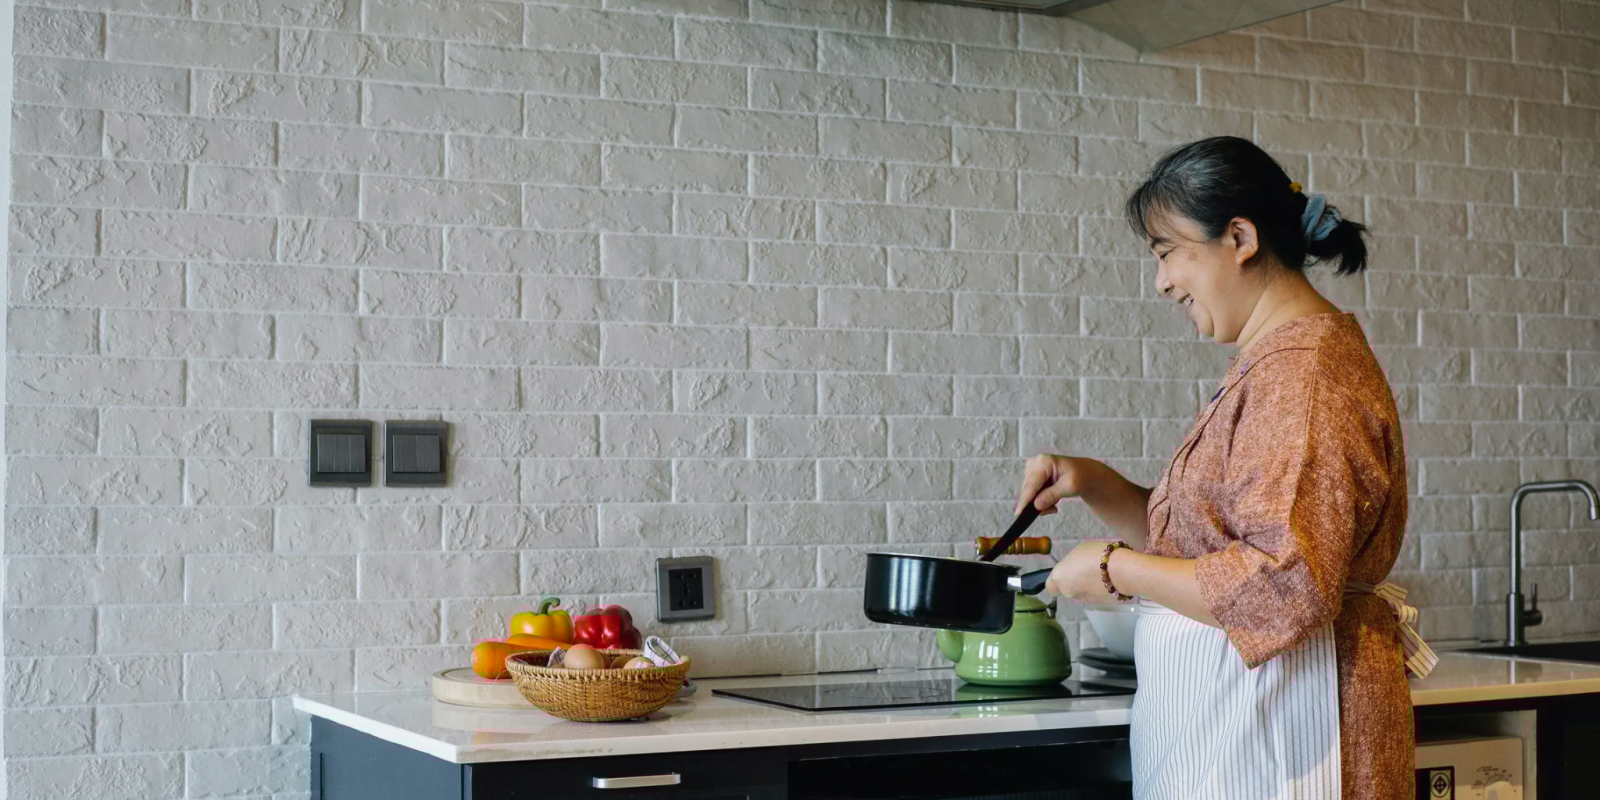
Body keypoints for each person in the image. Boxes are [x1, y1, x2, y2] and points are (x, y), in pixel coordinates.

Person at [1014, 136, 1433, 800]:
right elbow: (1210, 547)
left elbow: (1282, 584)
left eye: (1166, 253)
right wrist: (1096, 483)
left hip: (1293, 729)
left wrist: (1113, 569)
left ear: (1239, 237)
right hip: (1244, 725)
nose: (1161, 281)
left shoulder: (1306, 377)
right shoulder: (1271, 365)